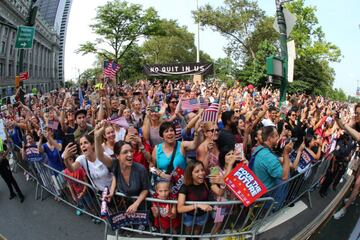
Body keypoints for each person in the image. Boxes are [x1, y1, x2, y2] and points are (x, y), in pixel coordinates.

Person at [94, 122, 149, 213]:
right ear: (117, 156)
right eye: (125, 152)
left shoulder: (140, 169)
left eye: (131, 151)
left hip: (141, 208)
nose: (130, 154)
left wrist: (136, 203)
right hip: (125, 207)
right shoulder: (115, 164)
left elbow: (145, 189)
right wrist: (96, 137)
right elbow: (100, 156)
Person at [177, 160, 213, 235]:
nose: (201, 173)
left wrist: (222, 184)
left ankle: (196, 236)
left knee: (198, 228)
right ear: (190, 174)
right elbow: (180, 208)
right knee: (188, 228)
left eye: (202, 170)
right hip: (189, 215)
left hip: (203, 214)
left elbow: (219, 192)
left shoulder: (206, 182)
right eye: (197, 171)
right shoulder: (185, 187)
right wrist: (197, 205)